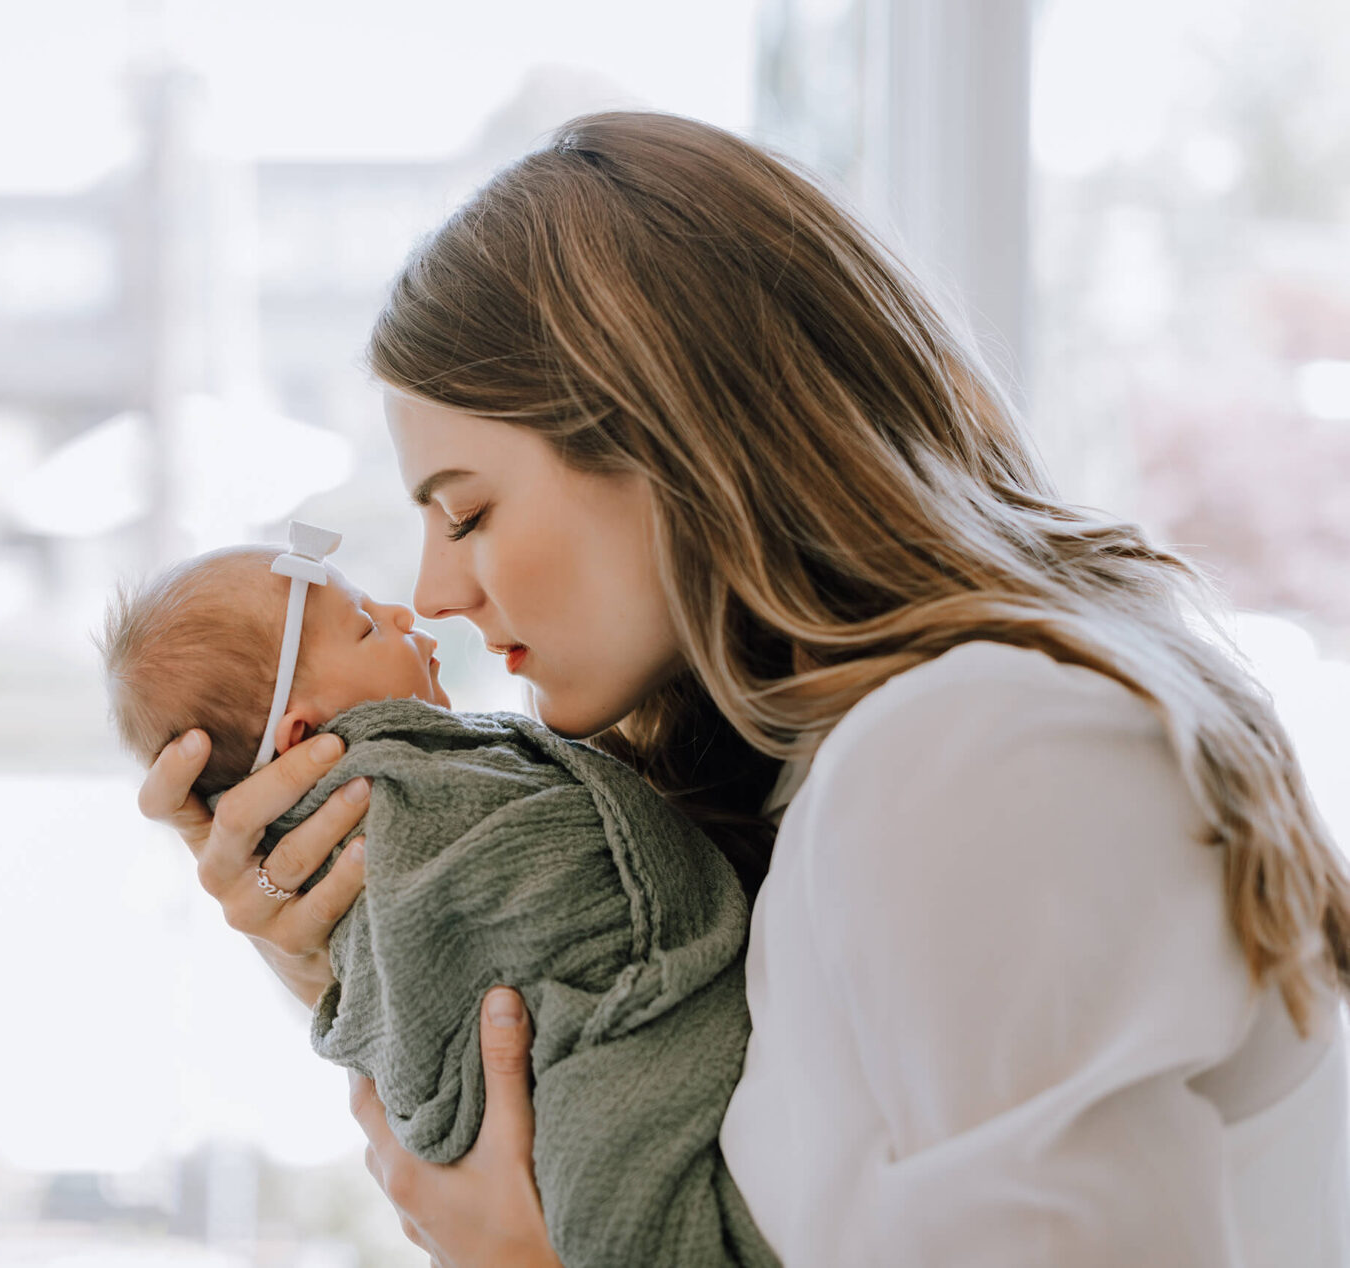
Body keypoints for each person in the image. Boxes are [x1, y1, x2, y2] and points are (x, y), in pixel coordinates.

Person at [136, 110, 1350, 1266]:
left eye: (467, 511)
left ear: (665, 440)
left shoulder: (977, 751)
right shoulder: (832, 768)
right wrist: (340, 930)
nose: (434, 591)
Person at [98, 528, 774, 1265]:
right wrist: (305, 966)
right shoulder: (392, 800)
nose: (407, 608)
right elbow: (431, 964)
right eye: (365, 628)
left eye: (470, 512)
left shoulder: (456, 763)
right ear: (302, 734)